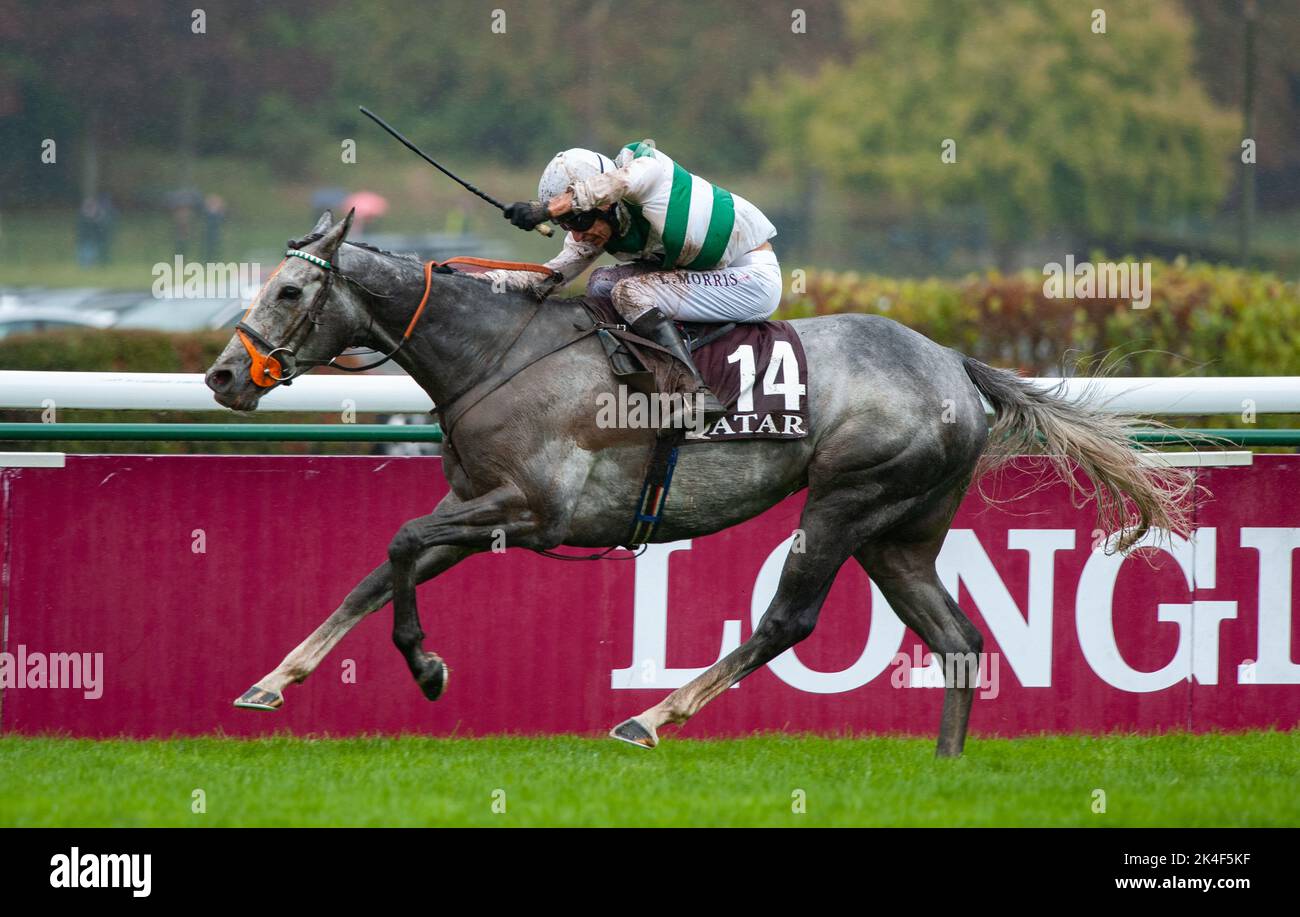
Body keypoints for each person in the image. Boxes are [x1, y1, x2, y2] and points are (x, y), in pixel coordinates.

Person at [489, 141, 782, 418]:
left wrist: (548, 210)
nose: (577, 234)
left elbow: (618, 183)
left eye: (578, 220)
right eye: (566, 225)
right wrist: (475, 281)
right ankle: (633, 381)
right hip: (709, 276)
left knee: (629, 292)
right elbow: (550, 277)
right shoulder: (601, 225)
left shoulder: (649, 174)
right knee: (602, 283)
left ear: (605, 205)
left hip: (750, 279)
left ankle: (693, 391)